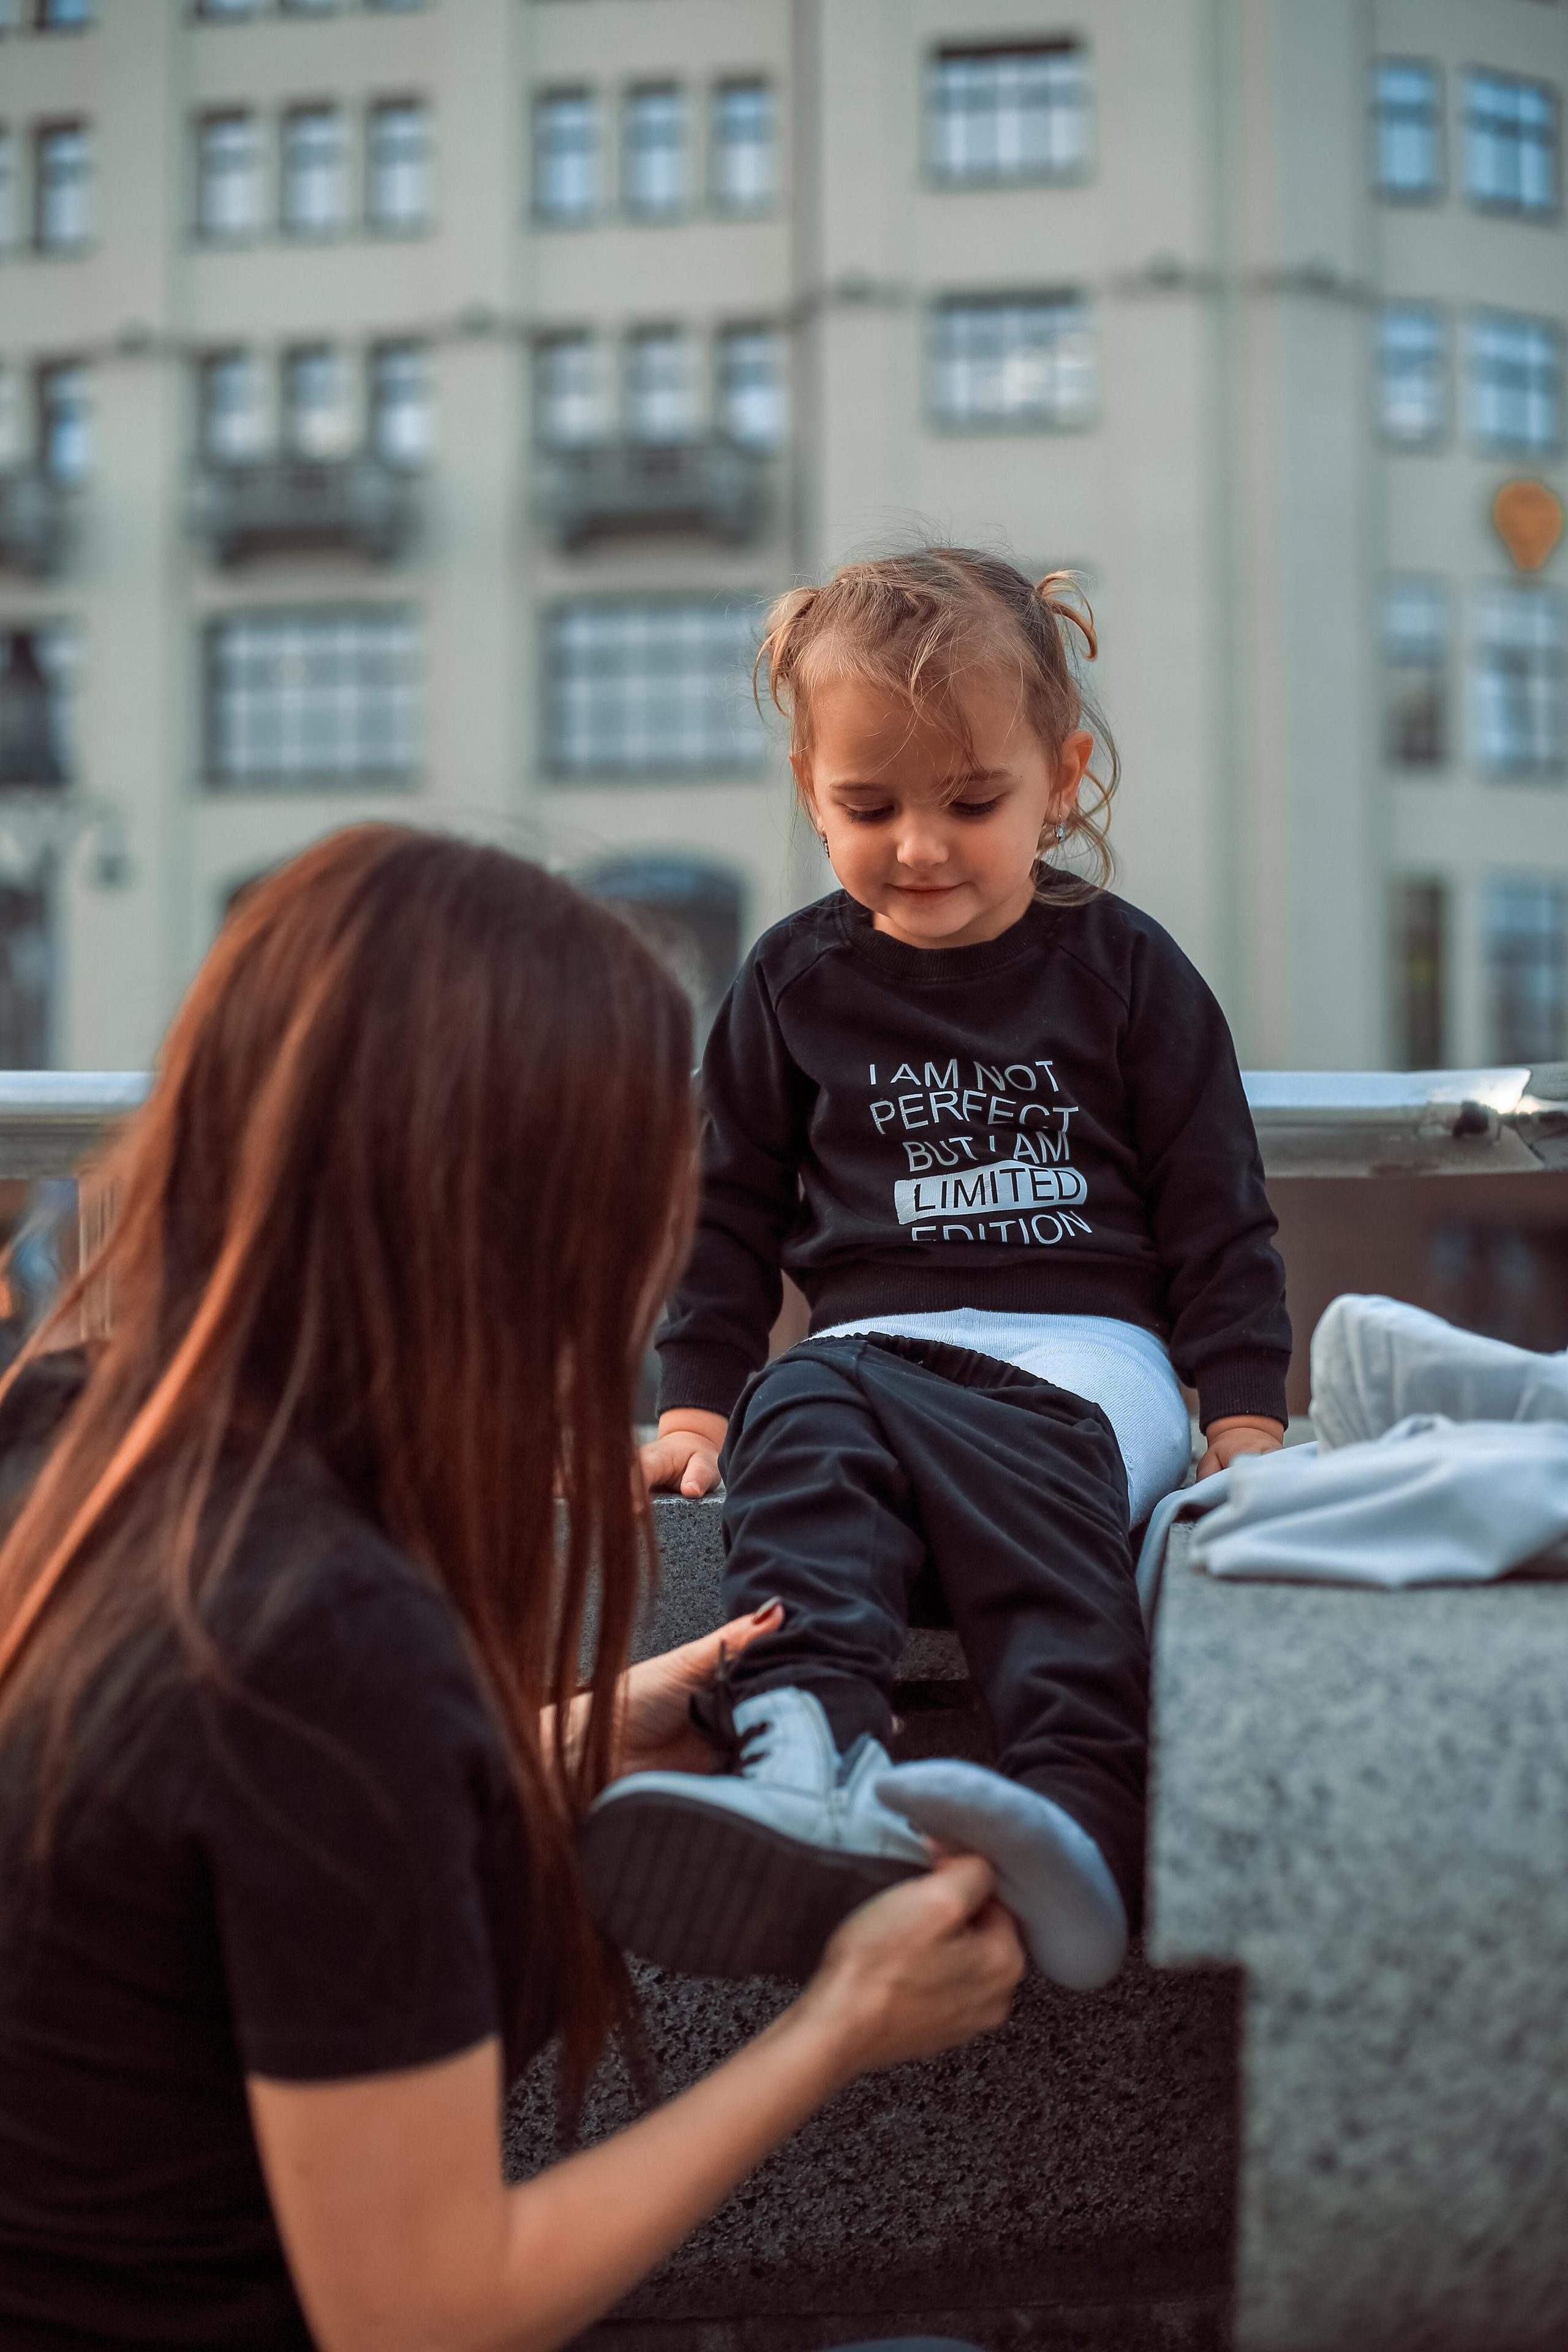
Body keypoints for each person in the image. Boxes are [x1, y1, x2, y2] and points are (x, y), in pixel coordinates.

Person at [0, 826, 1023, 2352]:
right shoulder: (325, 1644)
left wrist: (551, 1747)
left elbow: (178, 1854)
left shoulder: (68, 1437)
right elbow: (419, 2313)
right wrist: (836, 2031)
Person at [582, 549, 1291, 1992]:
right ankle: (803, 1754)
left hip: (1079, 1362)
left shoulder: (1124, 971)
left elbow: (1215, 1210)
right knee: (799, 1417)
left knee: (1019, 1488)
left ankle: (1079, 1819)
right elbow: (730, 1211)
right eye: (869, 808)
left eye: (971, 803)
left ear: (1060, 778)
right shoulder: (791, 981)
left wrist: (1241, 1420)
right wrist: (698, 1407)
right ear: (809, 790)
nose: (919, 846)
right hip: (869, 1355)